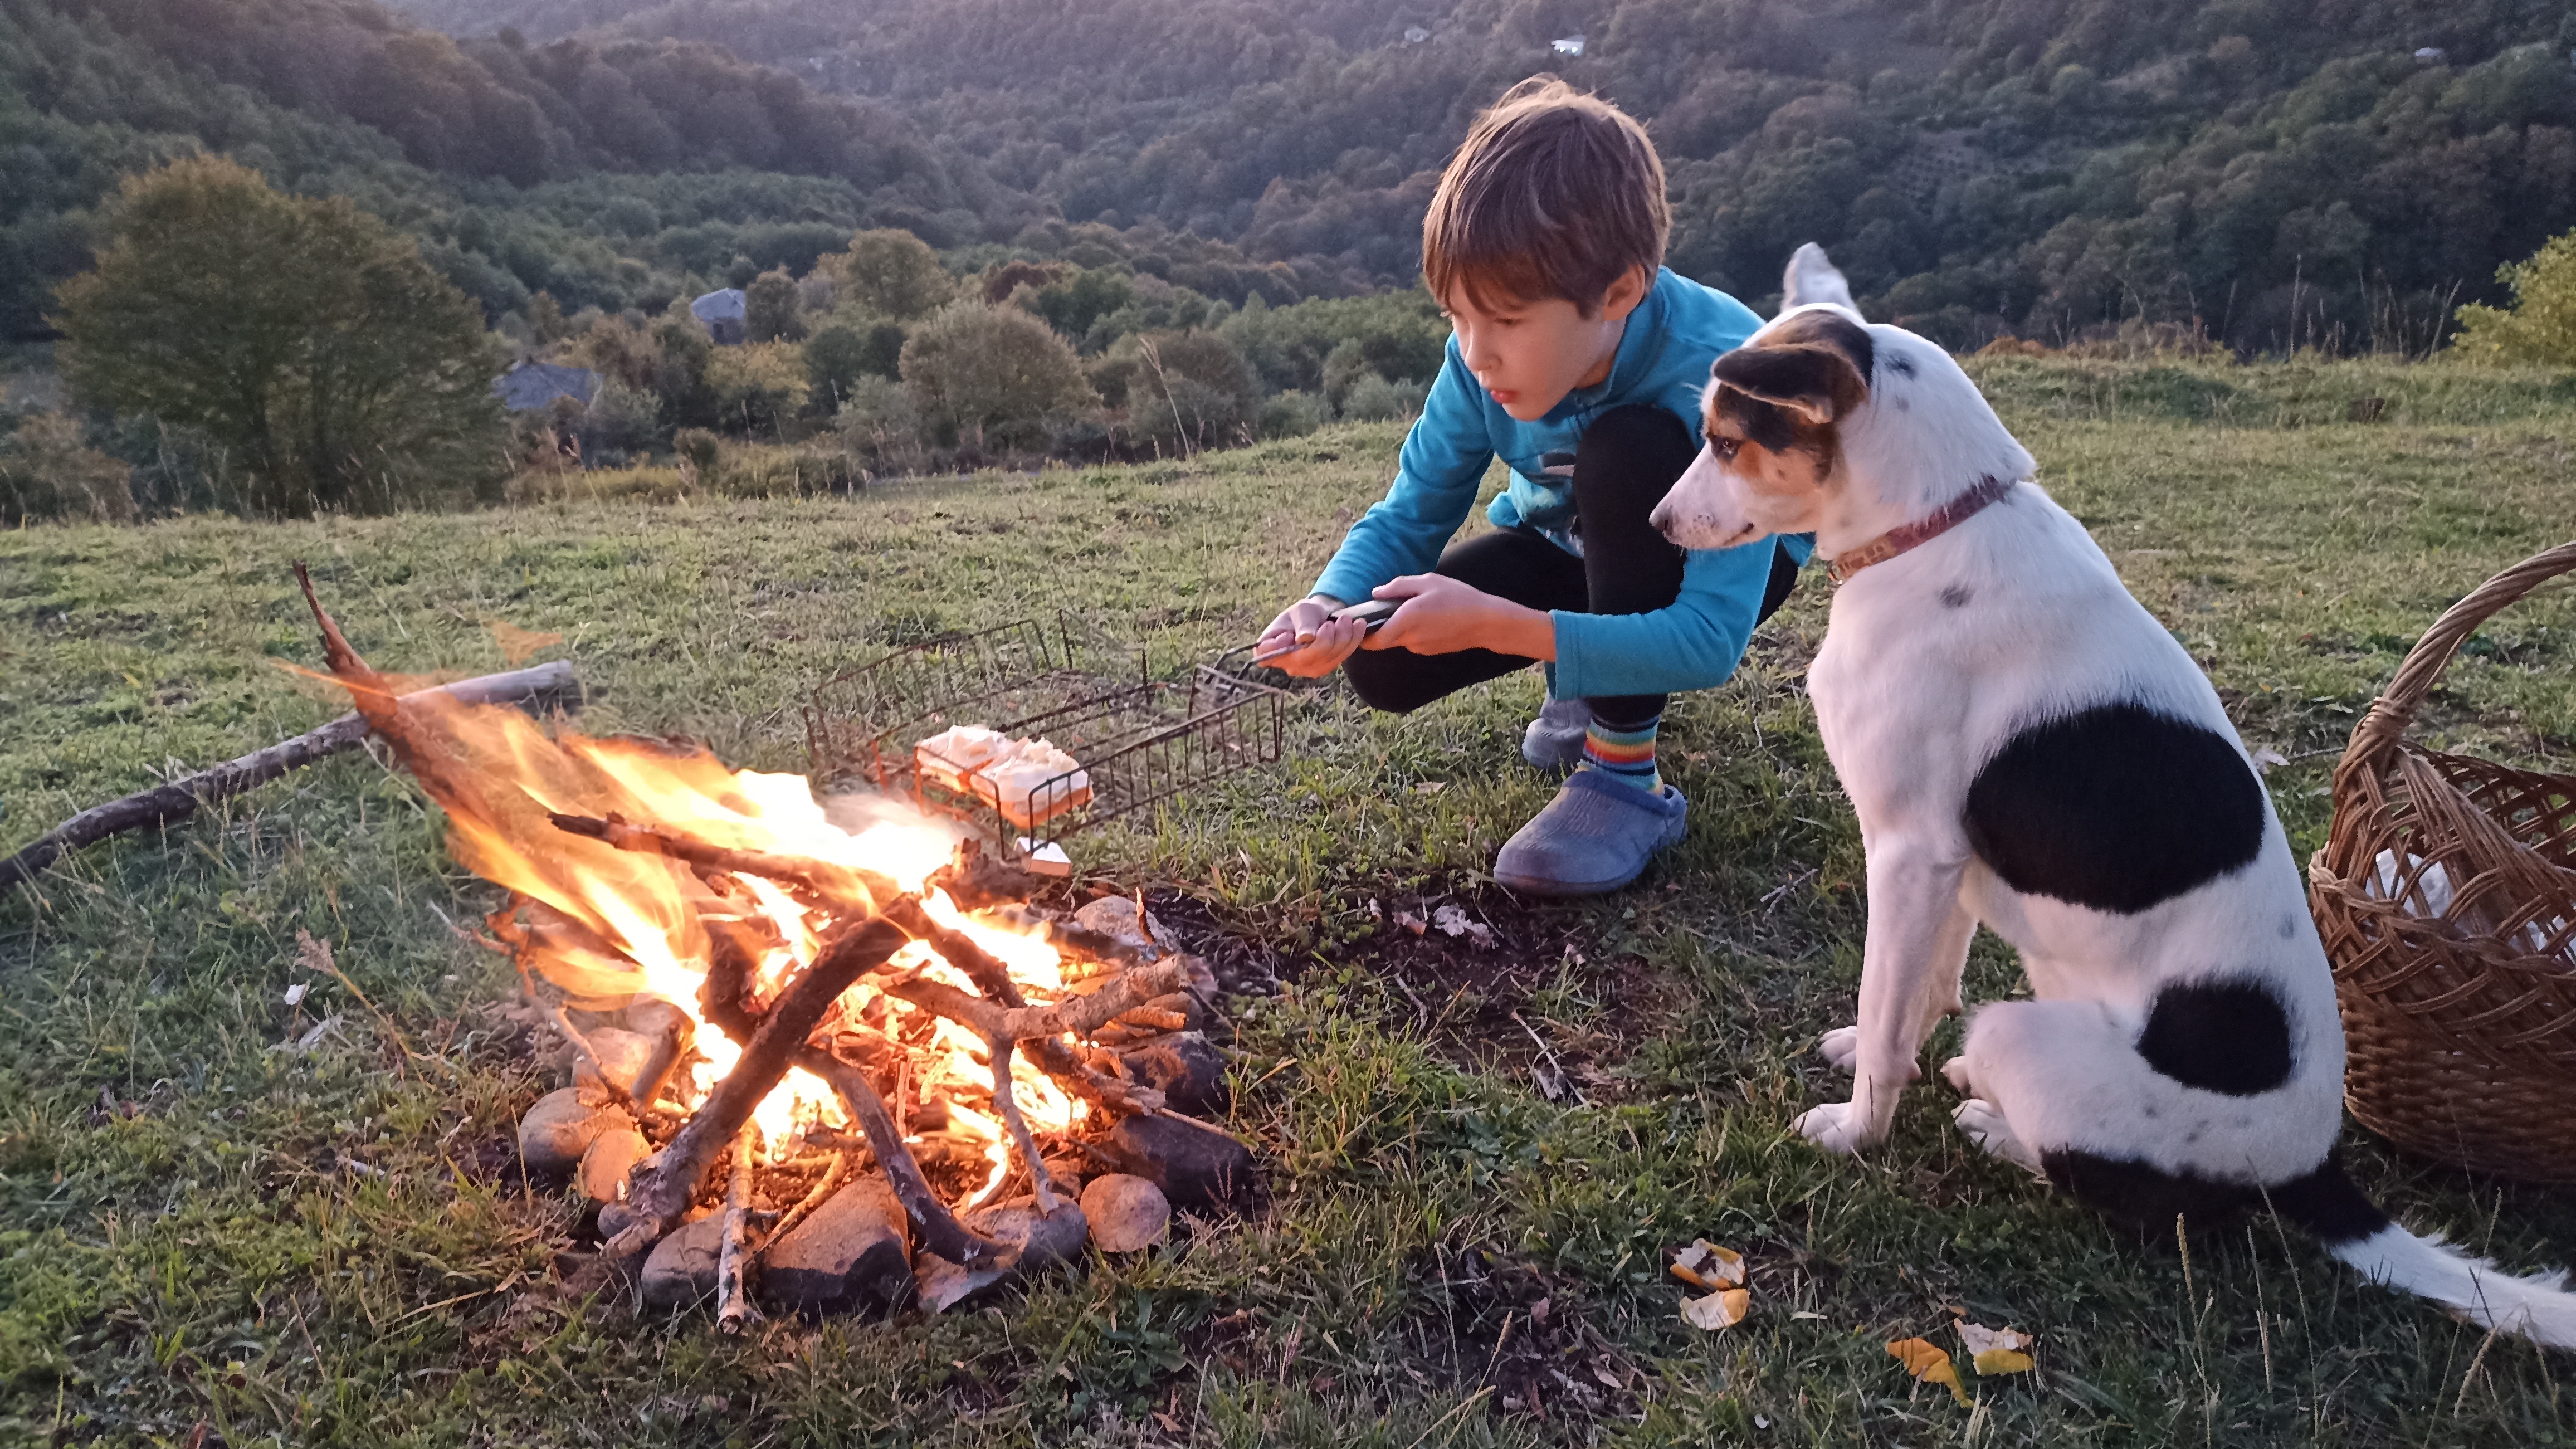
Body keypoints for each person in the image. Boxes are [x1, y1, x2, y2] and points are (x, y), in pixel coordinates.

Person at [1256, 76, 1808, 895]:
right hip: (1564, 547)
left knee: (1625, 453)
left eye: (1506, 322)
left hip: (1704, 561)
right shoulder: (1475, 365)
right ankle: (1587, 675)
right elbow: (1414, 510)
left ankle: (1626, 777)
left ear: (1620, 290)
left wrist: (1506, 627)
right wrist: (1332, 603)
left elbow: (1707, 641)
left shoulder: (1728, 377)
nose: (1477, 352)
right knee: (1384, 655)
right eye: (1456, 316)